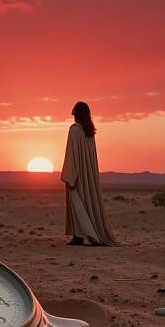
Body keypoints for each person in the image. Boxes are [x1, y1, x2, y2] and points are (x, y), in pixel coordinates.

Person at [60, 101, 118, 246]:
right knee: (87, 203)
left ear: (76, 114)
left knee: (77, 203)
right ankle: (83, 235)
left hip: (77, 175)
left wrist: (69, 176)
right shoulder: (89, 132)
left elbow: (71, 155)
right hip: (87, 176)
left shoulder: (74, 130)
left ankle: (79, 236)